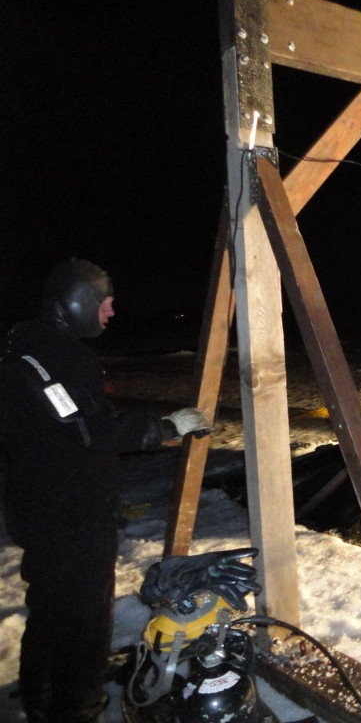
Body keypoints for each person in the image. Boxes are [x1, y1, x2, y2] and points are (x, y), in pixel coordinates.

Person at [0, 259, 212, 723]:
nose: (112, 311)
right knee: (84, 618)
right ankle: (76, 706)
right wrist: (166, 426)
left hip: (40, 506)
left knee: (51, 607)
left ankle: (41, 697)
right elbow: (91, 429)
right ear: (77, 301)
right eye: (105, 301)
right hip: (70, 515)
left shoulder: (27, 346)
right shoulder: (51, 356)